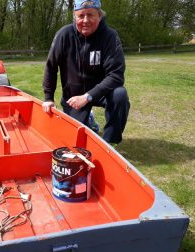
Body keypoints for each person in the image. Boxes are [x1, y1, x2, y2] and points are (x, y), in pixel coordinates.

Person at [42, 0, 130, 145]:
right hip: (74, 96)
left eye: (91, 15)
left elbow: (116, 75)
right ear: (74, 16)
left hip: (101, 92)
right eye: (81, 15)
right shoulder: (64, 35)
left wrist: (88, 96)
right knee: (74, 142)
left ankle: (110, 142)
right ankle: (88, 119)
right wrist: (48, 97)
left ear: (100, 16)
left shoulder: (110, 36)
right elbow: (51, 66)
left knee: (120, 95)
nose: (85, 20)